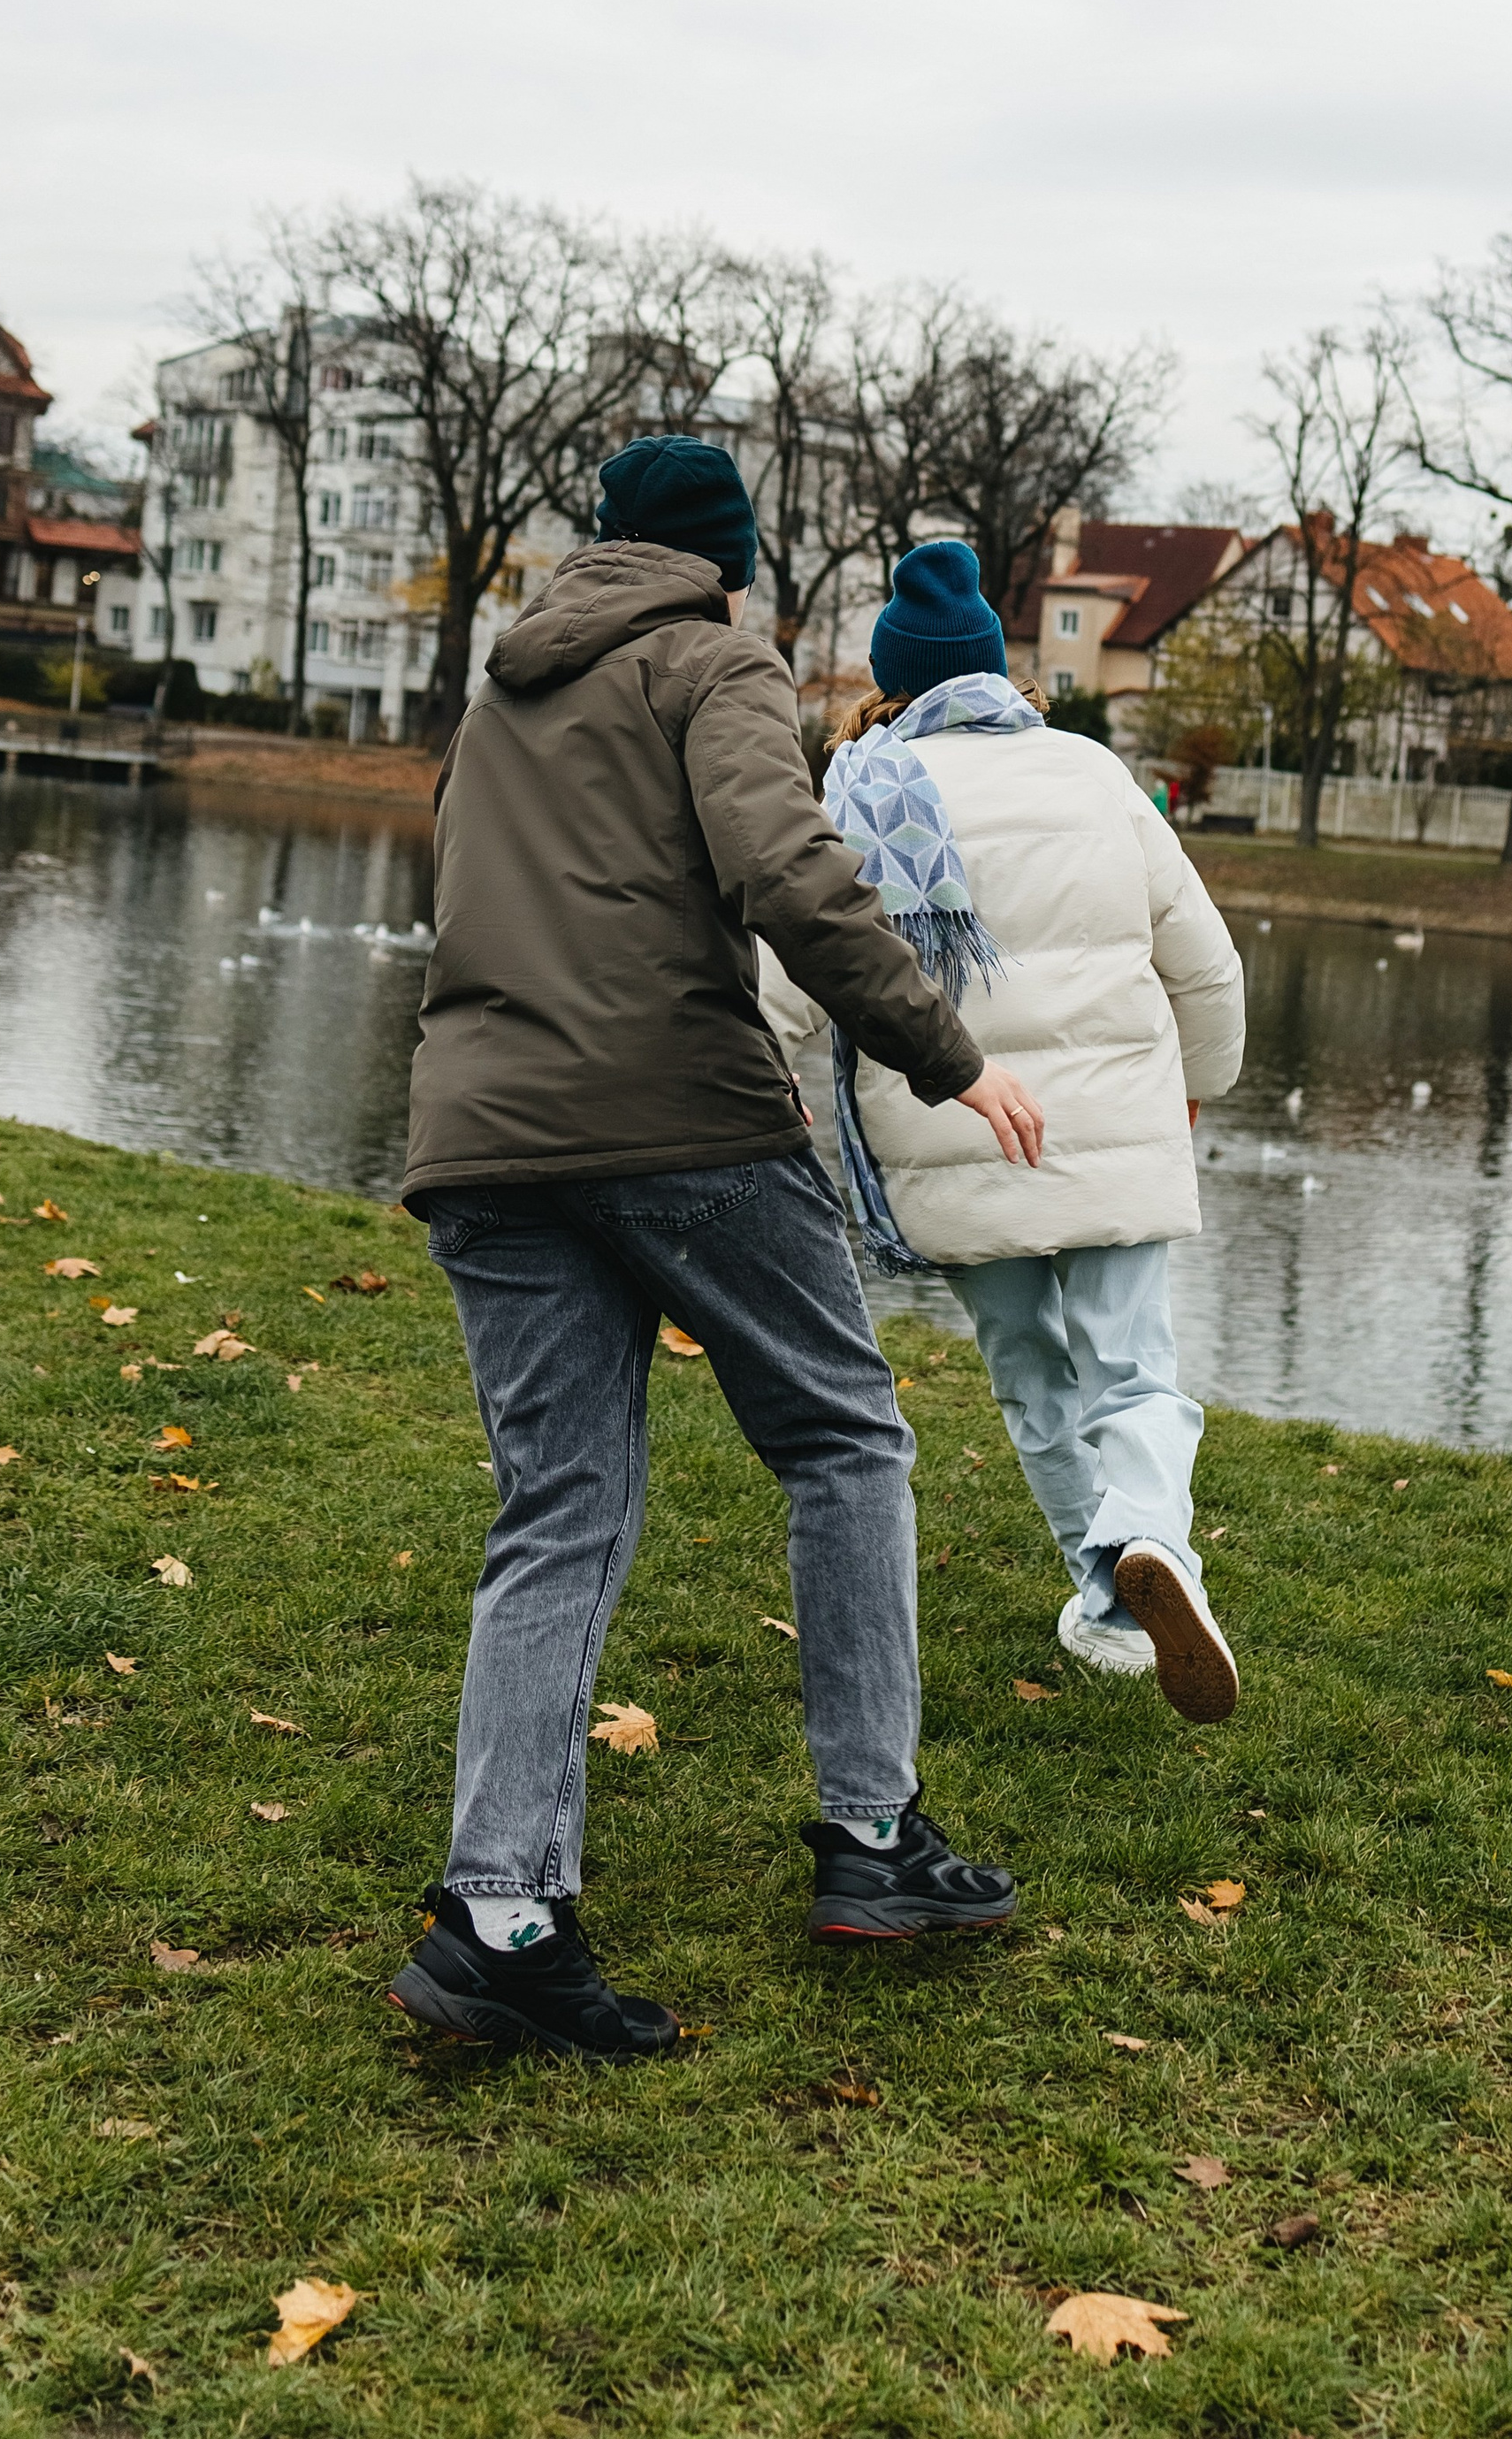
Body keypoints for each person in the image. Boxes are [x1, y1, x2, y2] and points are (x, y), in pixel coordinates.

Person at [389, 439, 1044, 2063]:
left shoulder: (500, 694)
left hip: (482, 1134)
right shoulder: (714, 658)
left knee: (558, 1507)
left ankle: (502, 1917)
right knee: (843, 1438)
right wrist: (950, 1052)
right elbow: (788, 869)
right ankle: (874, 1839)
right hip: (677, 1116)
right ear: (727, 558)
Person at [761, 539, 1246, 1721]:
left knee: (1030, 1368)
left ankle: (1109, 1595)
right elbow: (1206, 962)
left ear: (892, 679)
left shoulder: (855, 794)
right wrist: (1202, 1087)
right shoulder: (1092, 774)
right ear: (997, 670)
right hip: (1114, 1126)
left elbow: (784, 990)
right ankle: (1149, 1550)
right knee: (1133, 1365)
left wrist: (767, 1091)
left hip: (955, 1136)